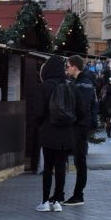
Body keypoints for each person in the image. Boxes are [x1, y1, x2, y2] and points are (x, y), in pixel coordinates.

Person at [35, 55, 75, 211]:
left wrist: (41, 126)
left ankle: (45, 201)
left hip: (49, 132)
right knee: (60, 167)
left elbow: (38, 113)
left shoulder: (45, 87)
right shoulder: (70, 86)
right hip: (66, 133)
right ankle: (57, 201)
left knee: (48, 167)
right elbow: (79, 109)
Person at [65, 55, 98, 205]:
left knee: (80, 160)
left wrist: (74, 120)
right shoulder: (80, 82)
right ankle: (76, 194)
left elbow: (82, 106)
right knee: (79, 160)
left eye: (68, 66)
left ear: (75, 67)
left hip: (79, 126)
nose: (67, 69)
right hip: (80, 125)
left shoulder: (83, 83)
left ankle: (78, 194)